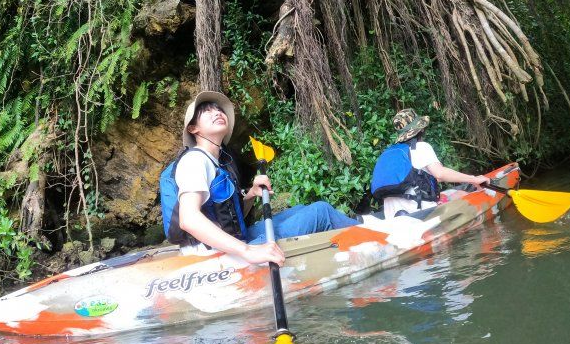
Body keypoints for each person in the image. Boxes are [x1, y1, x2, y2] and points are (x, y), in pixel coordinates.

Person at [162, 91, 359, 267]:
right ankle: (370, 236)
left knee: (300, 210)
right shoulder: (195, 160)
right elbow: (189, 219)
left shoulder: (217, 162)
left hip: (228, 243)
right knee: (321, 212)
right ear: (193, 128)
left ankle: (353, 231)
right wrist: (248, 251)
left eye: (219, 109)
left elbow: (230, 214)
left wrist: (251, 194)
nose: (217, 112)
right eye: (207, 111)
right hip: (213, 256)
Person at [374, 108, 491, 219]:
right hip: (418, 214)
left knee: (449, 194)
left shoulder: (388, 154)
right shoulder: (421, 147)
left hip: (393, 216)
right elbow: (440, 174)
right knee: (460, 194)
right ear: (421, 129)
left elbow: (424, 178)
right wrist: (474, 179)